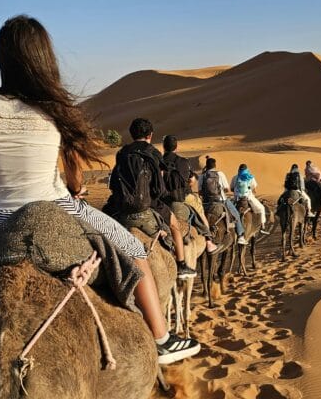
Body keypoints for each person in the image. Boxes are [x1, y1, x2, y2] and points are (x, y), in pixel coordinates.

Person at [0, 15, 199, 364]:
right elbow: (74, 183)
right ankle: (161, 339)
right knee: (134, 248)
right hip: (59, 207)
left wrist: (2, 187)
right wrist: (69, 187)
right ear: (44, 57)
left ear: (2, 58)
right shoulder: (56, 108)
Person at [105, 118, 197, 279]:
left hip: (121, 205)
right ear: (150, 135)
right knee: (175, 225)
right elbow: (158, 188)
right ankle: (181, 264)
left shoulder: (122, 153)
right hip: (149, 204)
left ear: (132, 134)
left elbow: (114, 182)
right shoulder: (153, 153)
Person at [161, 135, 217, 253]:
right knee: (199, 211)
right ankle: (209, 241)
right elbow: (192, 180)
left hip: (162, 200)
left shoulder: (158, 161)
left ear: (163, 147)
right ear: (176, 147)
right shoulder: (183, 161)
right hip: (182, 197)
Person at [199, 157, 248, 244]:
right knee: (236, 214)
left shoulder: (202, 176)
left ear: (206, 166)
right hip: (221, 201)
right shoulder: (220, 174)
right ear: (215, 165)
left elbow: (200, 192)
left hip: (206, 203)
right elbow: (227, 189)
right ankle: (240, 236)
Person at [232, 163, 268, 232]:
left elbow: (231, 188)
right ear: (247, 170)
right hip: (248, 198)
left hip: (237, 199)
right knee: (261, 208)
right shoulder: (250, 177)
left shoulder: (235, 177)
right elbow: (254, 188)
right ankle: (262, 225)